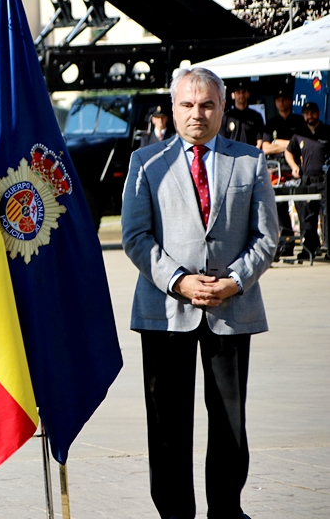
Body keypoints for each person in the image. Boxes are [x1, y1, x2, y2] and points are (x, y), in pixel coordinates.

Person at [122, 67, 278, 519]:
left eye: (207, 104)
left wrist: (235, 280)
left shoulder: (249, 161)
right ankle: (174, 512)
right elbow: (135, 236)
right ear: (172, 109)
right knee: (167, 421)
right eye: (187, 105)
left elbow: (266, 236)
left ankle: (227, 508)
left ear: (223, 108)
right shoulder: (145, 162)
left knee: (230, 419)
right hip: (166, 310)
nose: (197, 114)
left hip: (231, 308)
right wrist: (178, 280)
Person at [260, 87, 305, 257]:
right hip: (278, 169)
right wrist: (290, 144)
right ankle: (287, 244)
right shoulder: (271, 123)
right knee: (279, 207)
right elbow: (266, 148)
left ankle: (308, 243)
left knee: (302, 205)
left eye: (284, 99)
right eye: (278, 100)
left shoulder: (300, 121)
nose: (281, 102)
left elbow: (304, 144)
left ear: (290, 101)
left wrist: (280, 143)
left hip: (297, 168)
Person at [285, 101, 330, 260]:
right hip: (307, 181)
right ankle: (309, 248)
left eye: (312, 112)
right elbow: (288, 152)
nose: (309, 116)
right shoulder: (299, 133)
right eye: (306, 113)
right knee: (307, 217)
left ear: (318, 113)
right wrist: (294, 166)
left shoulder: (327, 131)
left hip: (324, 180)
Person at [219, 80, 263, 148]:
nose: (241, 95)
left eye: (243, 92)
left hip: (251, 155)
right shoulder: (226, 117)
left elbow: (259, 140)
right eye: (238, 92)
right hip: (232, 155)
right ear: (233, 95)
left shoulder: (256, 116)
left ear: (248, 94)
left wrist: (254, 155)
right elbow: (222, 141)